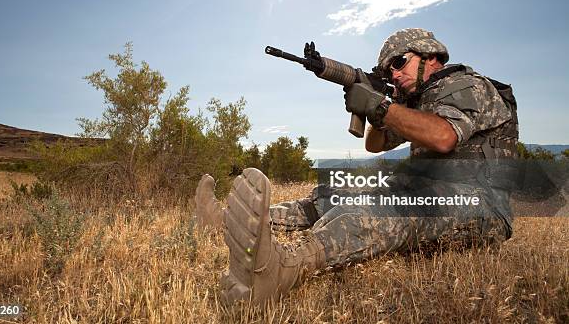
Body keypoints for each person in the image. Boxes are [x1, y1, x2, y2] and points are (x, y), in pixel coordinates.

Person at [195, 28, 519, 306]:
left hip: (479, 205)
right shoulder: (416, 101)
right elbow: (374, 144)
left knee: (376, 212)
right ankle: (229, 222)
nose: (394, 74)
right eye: (387, 70)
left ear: (431, 56)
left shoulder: (467, 86)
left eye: (399, 62)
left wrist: (380, 105)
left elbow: (443, 136)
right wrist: (377, 111)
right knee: (332, 195)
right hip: (429, 191)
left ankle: (283, 268)